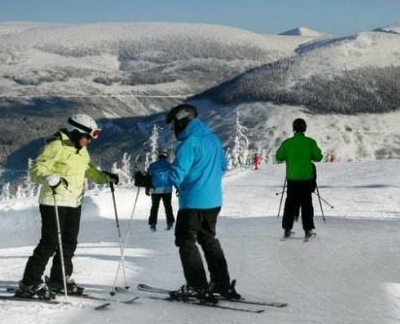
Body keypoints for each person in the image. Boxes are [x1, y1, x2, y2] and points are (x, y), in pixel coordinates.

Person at [134, 104, 239, 300]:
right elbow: (223, 165)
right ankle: (221, 284)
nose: (172, 129)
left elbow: (175, 176)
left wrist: (149, 179)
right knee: (209, 240)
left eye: (173, 124)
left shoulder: (189, 143)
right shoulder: (213, 139)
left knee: (185, 241)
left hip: (193, 203)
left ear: (182, 121)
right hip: (214, 201)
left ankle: (197, 286)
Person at [16, 114, 118, 299]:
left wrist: (104, 177)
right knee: (50, 243)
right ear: (75, 132)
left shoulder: (81, 149)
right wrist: (48, 177)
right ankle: (29, 283)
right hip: (53, 200)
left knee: (69, 243)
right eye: (87, 136)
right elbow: (36, 169)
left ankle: (58, 280)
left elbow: (86, 168)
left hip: (74, 202)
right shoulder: (55, 146)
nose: (89, 140)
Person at [277, 118, 323, 239]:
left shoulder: (287, 143)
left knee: (290, 204)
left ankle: (287, 229)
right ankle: (308, 230)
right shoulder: (310, 142)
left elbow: (278, 157)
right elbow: (318, 157)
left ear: (293, 128)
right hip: (306, 179)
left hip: (292, 179)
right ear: (304, 128)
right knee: (307, 204)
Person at [146, 149, 175, 232]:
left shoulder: (153, 165)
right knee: (168, 206)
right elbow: (173, 177)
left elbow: (148, 178)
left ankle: (152, 224)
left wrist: (147, 189)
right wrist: (177, 188)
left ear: (159, 156)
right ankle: (170, 223)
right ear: (166, 157)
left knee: (154, 207)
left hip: (155, 189)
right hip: (167, 189)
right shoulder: (170, 166)